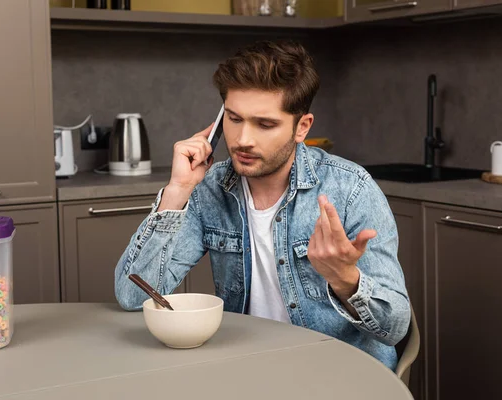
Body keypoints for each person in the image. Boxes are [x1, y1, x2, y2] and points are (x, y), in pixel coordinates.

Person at [114, 39, 410, 370]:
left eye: (265, 124)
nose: (242, 140)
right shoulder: (208, 188)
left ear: (302, 128)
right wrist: (178, 189)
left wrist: (344, 278)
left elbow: (394, 328)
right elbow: (132, 296)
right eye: (234, 118)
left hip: (339, 373)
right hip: (251, 368)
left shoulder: (350, 189)